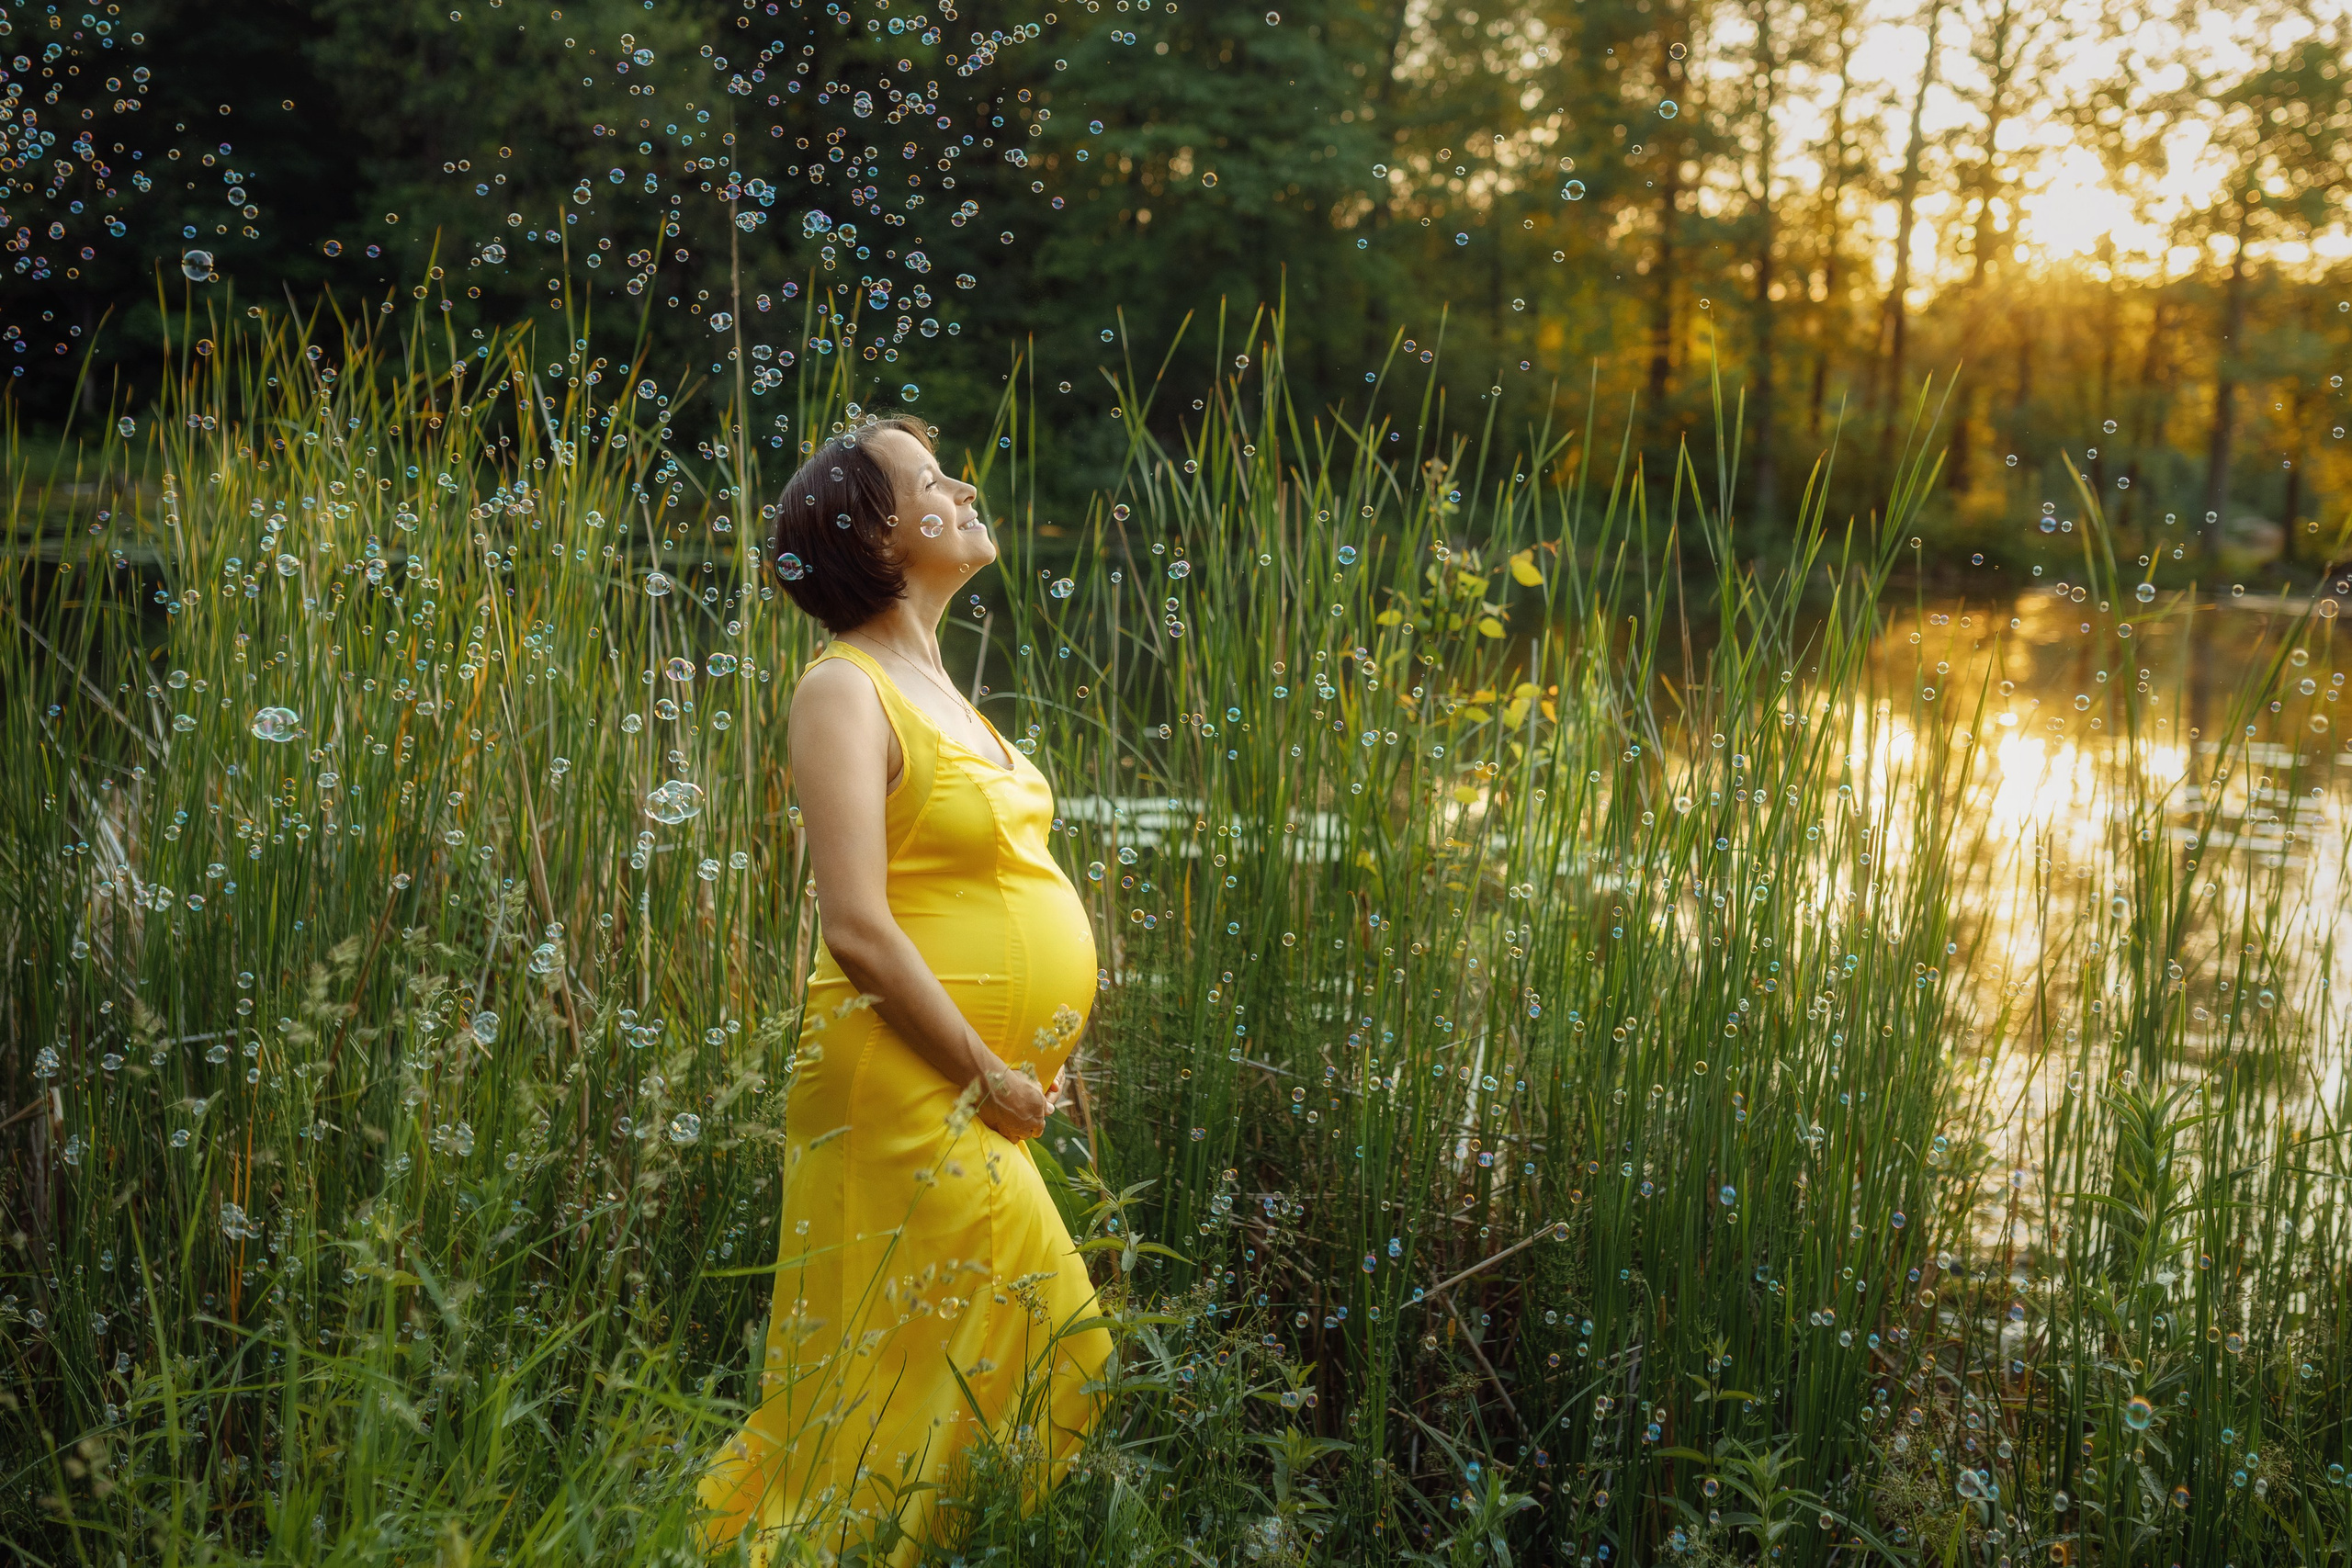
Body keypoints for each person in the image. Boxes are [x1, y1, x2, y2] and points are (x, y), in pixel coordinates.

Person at [695, 412, 1113, 1566]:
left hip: (975, 1082)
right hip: (905, 1083)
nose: (965, 486)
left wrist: (1037, 1048)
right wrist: (986, 1068)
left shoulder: (936, 685)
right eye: (932, 479)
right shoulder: (841, 691)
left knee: (959, 1364)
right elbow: (860, 930)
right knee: (1011, 1352)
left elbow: (984, 882)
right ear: (879, 535)